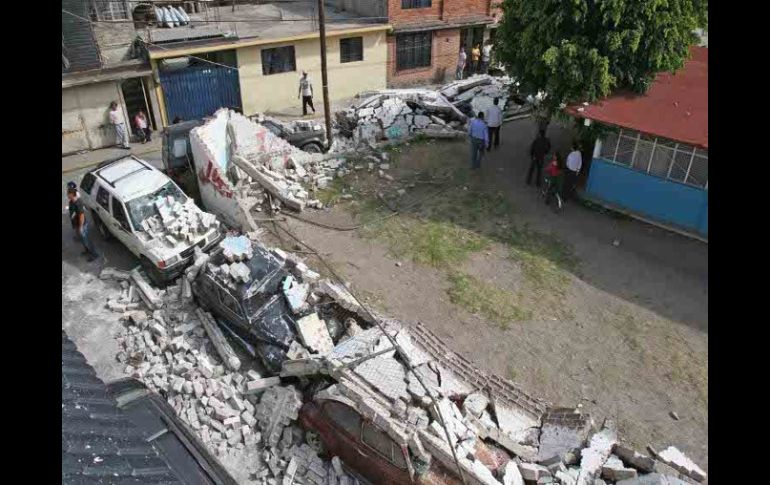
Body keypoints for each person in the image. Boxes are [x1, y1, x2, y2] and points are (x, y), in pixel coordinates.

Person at [68, 186, 99, 262]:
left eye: (69, 194)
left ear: (72, 194)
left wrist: (81, 227)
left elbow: (81, 216)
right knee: (82, 240)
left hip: (82, 225)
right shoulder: (71, 202)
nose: (67, 195)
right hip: (77, 225)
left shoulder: (78, 203)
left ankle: (94, 254)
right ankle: (87, 251)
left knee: (86, 240)